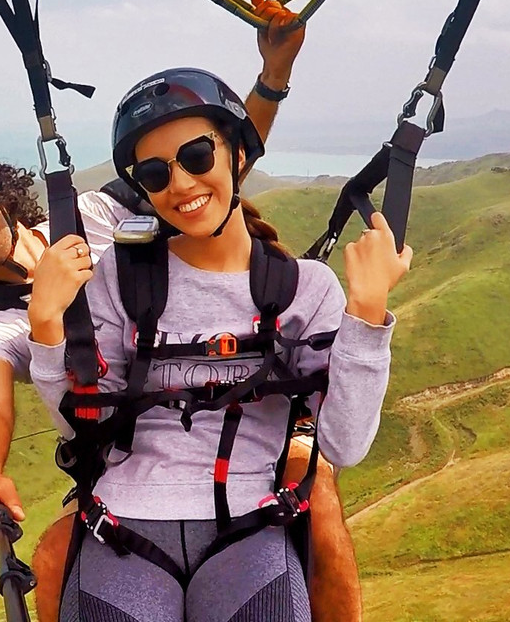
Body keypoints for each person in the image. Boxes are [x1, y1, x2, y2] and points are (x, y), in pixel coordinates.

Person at [0, 0, 365, 621]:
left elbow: (199, 171)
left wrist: (273, 76)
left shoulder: (97, 213)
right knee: (54, 559)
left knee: (318, 503)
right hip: (130, 456)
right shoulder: (0, 323)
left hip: (240, 417)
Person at [23, 67, 411, 621]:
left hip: (250, 525)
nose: (181, 184)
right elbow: (86, 426)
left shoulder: (303, 288)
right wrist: (45, 327)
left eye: (197, 156)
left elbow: (343, 444)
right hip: (124, 523)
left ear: (238, 154)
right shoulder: (120, 278)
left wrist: (367, 314)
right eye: (155, 173)